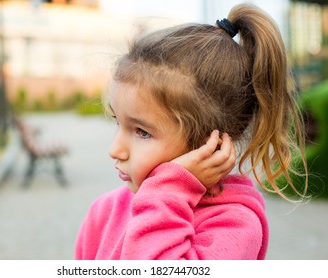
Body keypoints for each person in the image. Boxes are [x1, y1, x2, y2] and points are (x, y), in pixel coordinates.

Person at [75, 3, 308, 260]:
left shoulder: (233, 226)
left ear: (210, 145)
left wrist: (169, 190)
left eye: (142, 132)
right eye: (118, 122)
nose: (114, 150)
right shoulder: (105, 211)